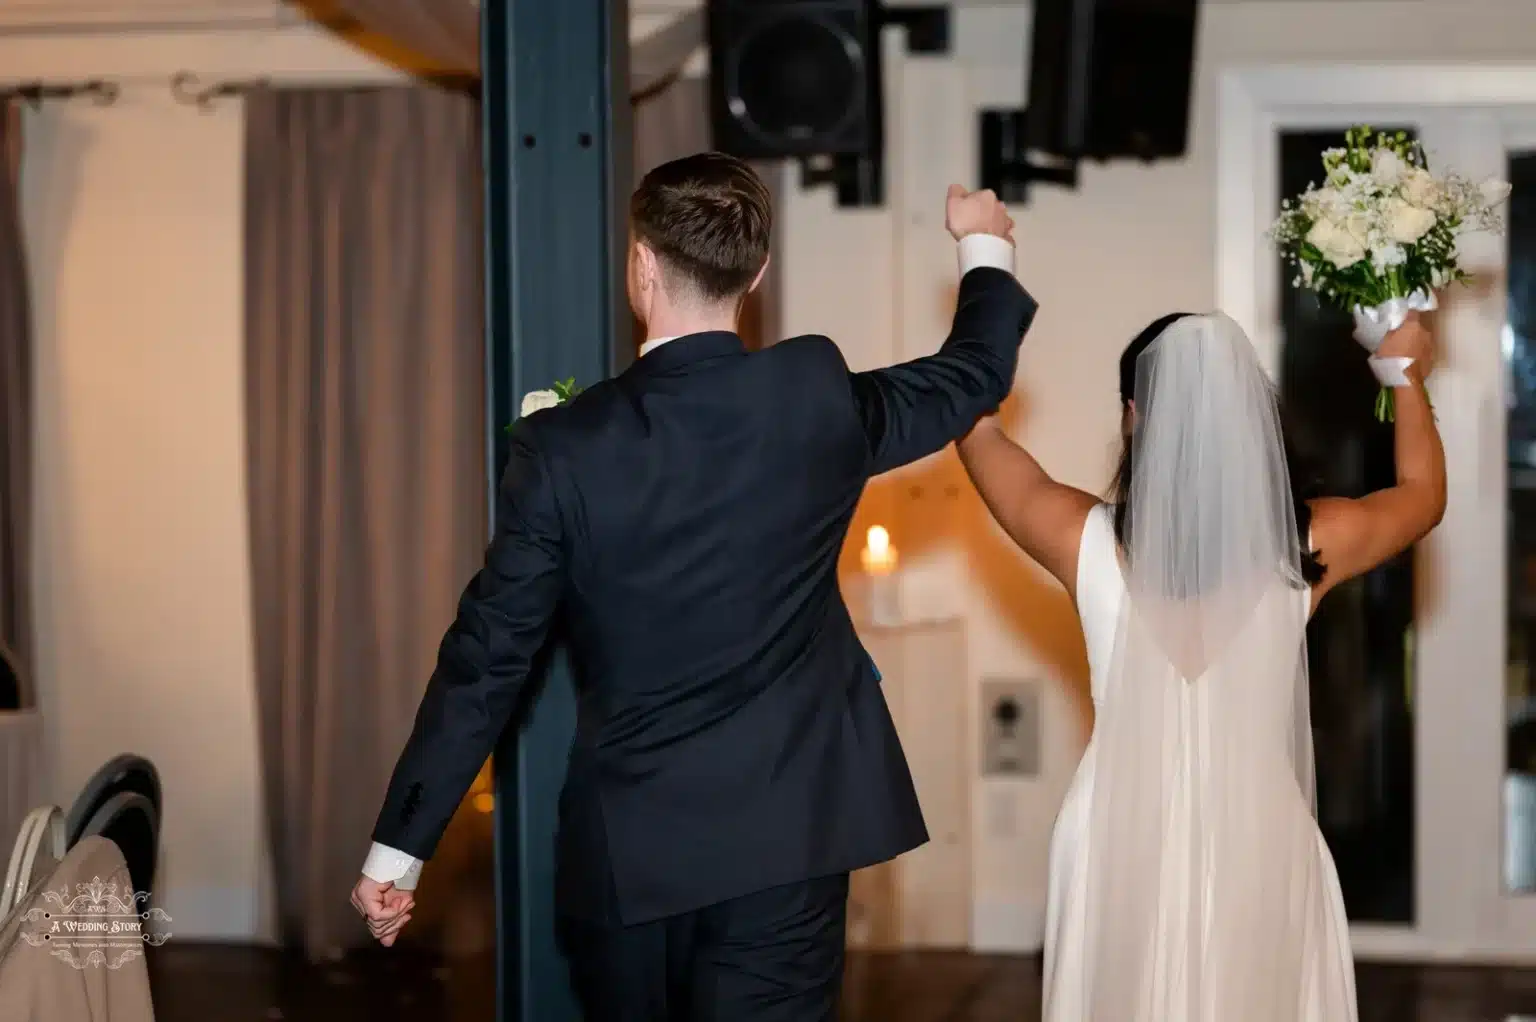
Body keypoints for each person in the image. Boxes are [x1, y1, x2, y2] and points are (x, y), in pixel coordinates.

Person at [350, 152, 1039, 1019]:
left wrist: (398, 850)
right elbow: (971, 374)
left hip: (630, 853)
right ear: (755, 273)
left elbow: (486, 661)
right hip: (790, 837)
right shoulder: (814, 393)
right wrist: (983, 244)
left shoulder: (564, 446)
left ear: (641, 263)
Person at [957, 310, 1444, 1021]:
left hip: (1113, 841)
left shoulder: (1080, 539)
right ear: (1252, 419)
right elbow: (1423, 497)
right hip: (1260, 831)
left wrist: (983, 273)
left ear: (1134, 417)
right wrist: (1405, 374)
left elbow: (976, 431)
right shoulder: (1305, 551)